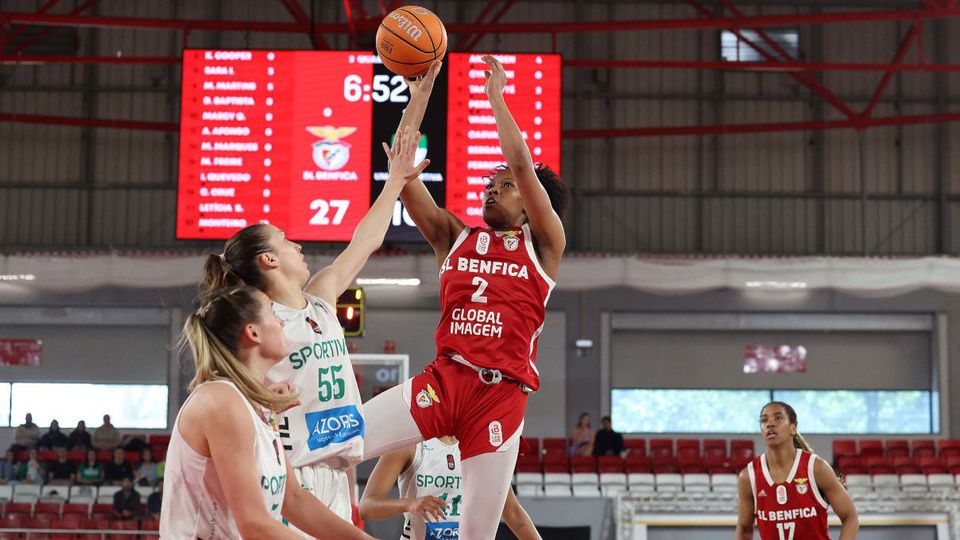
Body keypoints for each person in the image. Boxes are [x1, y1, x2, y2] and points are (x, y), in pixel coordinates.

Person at [361, 56, 570, 540]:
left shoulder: (545, 245)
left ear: (531, 201)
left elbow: (521, 161)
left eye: (505, 186)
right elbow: (402, 171)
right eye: (488, 185)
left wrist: (495, 96)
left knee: (477, 533)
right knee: (338, 440)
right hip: (446, 378)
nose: (491, 191)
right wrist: (419, 95)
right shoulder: (453, 236)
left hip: (501, 398)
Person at [197, 126, 428, 530]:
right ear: (268, 259)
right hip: (294, 473)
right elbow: (223, 379)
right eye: (286, 240)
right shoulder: (258, 320)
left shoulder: (320, 298)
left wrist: (394, 182)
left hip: (339, 470)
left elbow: (365, 243)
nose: (298, 246)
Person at [159, 285, 373, 539]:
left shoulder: (257, 407)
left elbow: (293, 499)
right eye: (273, 314)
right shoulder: (221, 401)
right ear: (253, 332)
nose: (282, 322)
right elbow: (254, 525)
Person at [360, 437, 542, 540]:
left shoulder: (482, 450)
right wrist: (409, 504)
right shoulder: (409, 446)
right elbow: (366, 507)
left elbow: (514, 514)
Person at [735, 402, 859, 540]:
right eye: (764, 420)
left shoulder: (816, 468)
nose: (770, 423)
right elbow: (744, 530)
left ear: (793, 428)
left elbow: (850, 517)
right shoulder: (748, 477)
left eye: (778, 418)